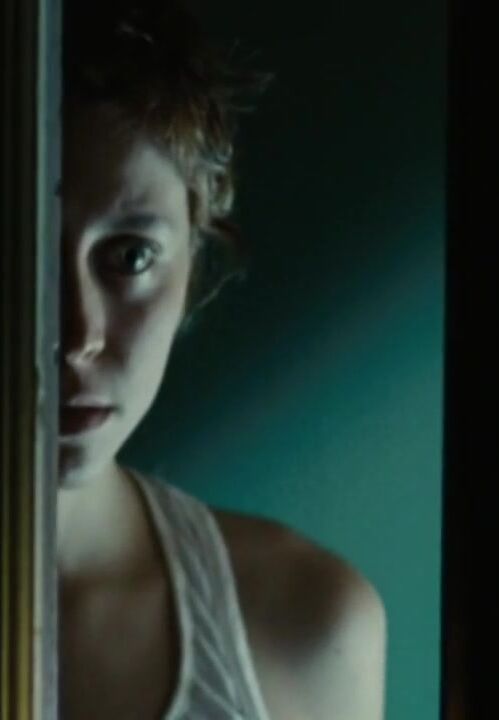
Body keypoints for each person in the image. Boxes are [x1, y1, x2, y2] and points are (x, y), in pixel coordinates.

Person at [57, 1, 386, 718]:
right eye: (23, 253)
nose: (77, 333)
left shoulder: (304, 626)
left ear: (195, 261)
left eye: (130, 256)